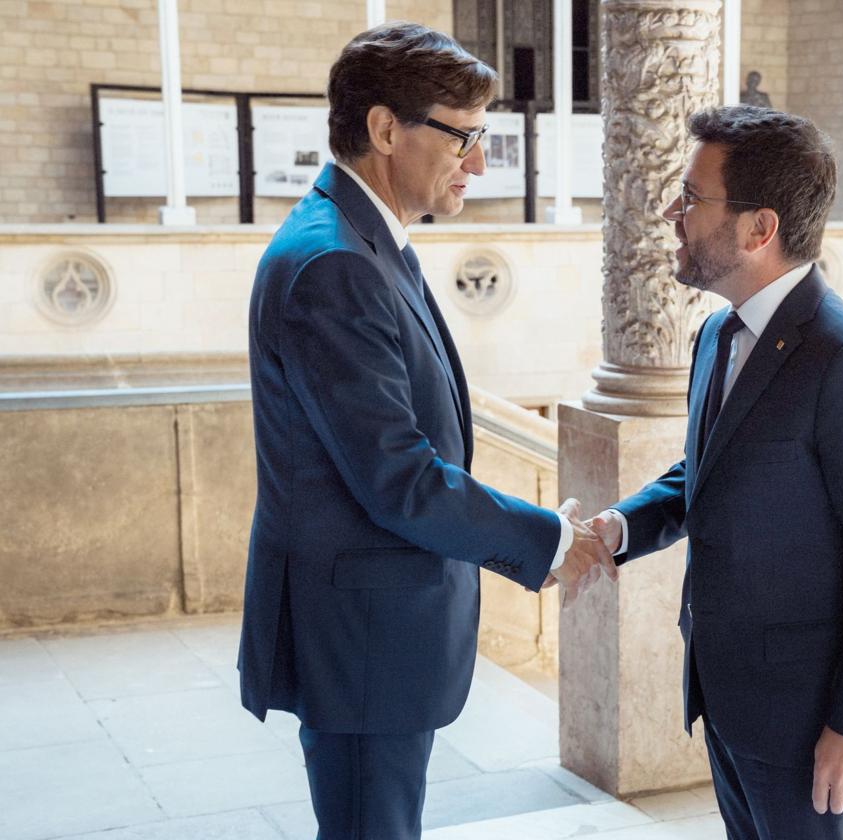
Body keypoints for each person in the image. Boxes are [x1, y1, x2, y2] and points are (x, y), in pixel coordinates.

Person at [237, 22, 615, 839]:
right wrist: (547, 538)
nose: (479, 163)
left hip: (371, 628)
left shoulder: (363, 239)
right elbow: (398, 476)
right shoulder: (333, 263)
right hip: (362, 639)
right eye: (465, 138)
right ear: (383, 130)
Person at [587, 106, 843, 840]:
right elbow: (704, 473)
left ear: (758, 229)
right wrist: (624, 526)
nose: (671, 212)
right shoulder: (717, 333)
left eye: (691, 197)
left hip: (813, 722)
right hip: (730, 700)